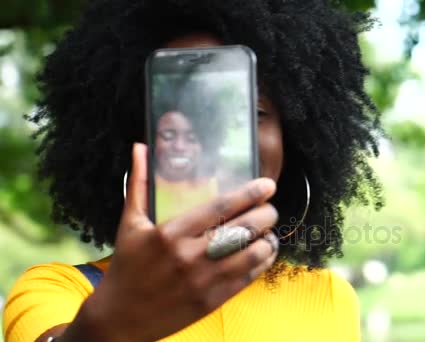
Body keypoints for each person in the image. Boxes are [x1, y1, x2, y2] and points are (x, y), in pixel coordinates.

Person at [2, 0, 384, 341]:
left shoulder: (330, 297)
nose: (210, 137)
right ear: (133, 146)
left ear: (295, 142)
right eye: (180, 115)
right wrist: (111, 324)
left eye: (252, 113)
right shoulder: (56, 291)